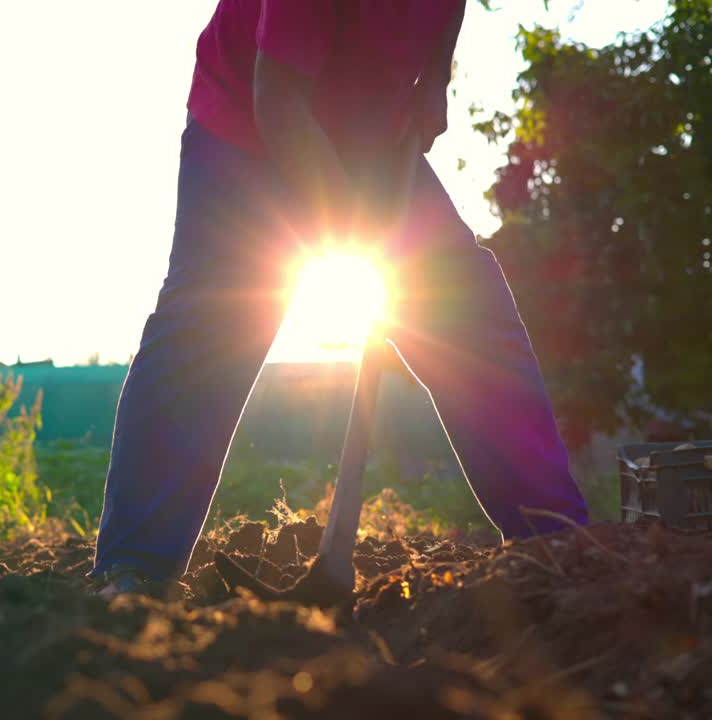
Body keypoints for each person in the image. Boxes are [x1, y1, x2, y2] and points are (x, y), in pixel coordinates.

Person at [90, 0, 591, 599]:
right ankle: (136, 567)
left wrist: (435, 75)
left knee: (466, 313)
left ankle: (556, 538)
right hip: (248, 127)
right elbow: (276, 100)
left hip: (371, 128)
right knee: (210, 328)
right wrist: (356, 232)